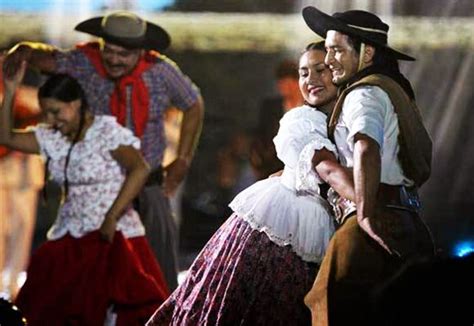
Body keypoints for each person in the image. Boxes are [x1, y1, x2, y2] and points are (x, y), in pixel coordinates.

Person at [146, 41, 351, 325]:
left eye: (320, 70)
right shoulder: (301, 118)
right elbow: (323, 165)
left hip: (311, 215)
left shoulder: (340, 117)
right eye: (304, 73)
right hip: (282, 218)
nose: (311, 79)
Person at [3, 11, 205, 291]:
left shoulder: (160, 71)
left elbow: (193, 103)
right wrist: (23, 50)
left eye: (123, 54)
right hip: (97, 190)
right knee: (90, 279)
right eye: (109, 50)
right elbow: (45, 57)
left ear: (140, 51)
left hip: (147, 186)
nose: (114, 59)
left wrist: (183, 158)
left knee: (158, 276)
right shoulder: (84, 63)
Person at [0, 65, 169, 325]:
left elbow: (139, 169)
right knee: (46, 302)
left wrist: (112, 216)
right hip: (70, 232)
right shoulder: (52, 137)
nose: (52, 120)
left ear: (76, 103)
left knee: (114, 307)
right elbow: (6, 138)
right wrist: (10, 91)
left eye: (56, 112)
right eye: (46, 113)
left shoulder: (105, 132)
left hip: (111, 234)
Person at [301, 7, 436, 325]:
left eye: (337, 50)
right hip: (407, 222)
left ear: (368, 52)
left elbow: (365, 146)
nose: (329, 58)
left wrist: (363, 213)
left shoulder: (364, 94)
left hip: (371, 223)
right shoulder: (390, 89)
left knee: (335, 309)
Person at [0, 57, 44, 300]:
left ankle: (13, 287)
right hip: (2, 173)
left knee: (22, 229)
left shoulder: (33, 94)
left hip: (25, 175)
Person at [250, 59, 304, 180]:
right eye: (281, 83)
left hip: (301, 164)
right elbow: (260, 135)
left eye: (288, 83)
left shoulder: (309, 106)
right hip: (271, 164)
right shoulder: (270, 107)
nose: (284, 87)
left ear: (297, 83)